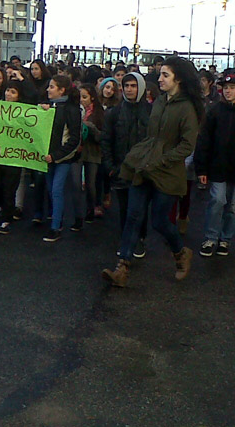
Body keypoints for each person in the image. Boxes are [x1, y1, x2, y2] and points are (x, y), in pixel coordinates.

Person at [102, 56, 202, 287]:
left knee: (159, 221)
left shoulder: (187, 108)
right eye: (161, 74)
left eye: (165, 75)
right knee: (133, 216)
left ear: (179, 78)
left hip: (167, 172)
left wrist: (164, 159)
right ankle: (122, 267)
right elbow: (151, 135)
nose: (160, 78)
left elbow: (187, 145)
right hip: (144, 167)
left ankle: (180, 253)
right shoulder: (159, 101)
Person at [194, 70, 235, 257]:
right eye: (225, 88)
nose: (228, 92)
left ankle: (225, 239)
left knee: (232, 207)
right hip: (217, 166)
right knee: (217, 200)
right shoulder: (215, 111)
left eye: (232, 88)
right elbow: (204, 140)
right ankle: (211, 237)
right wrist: (201, 167)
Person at [101, 72, 151, 258]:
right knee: (124, 208)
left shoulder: (151, 111)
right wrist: (110, 166)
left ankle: (139, 237)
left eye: (133, 86)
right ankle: (127, 239)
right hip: (121, 168)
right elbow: (106, 140)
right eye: (126, 86)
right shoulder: (114, 112)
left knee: (140, 208)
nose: (130, 89)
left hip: (143, 170)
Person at [41, 74, 82, 242]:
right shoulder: (51, 107)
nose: (48, 90)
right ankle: (58, 217)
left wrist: (56, 155)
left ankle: (56, 227)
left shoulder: (72, 110)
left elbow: (74, 139)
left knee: (57, 190)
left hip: (62, 158)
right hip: (49, 157)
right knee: (51, 190)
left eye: (52, 87)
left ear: (62, 90)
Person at [0, 80, 29, 234]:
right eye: (7, 91)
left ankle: (6, 220)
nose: (8, 94)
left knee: (10, 188)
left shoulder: (25, 111)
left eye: (13, 92)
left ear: (19, 96)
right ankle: (3, 206)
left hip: (14, 157)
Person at [78, 84, 105, 222]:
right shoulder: (77, 110)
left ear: (92, 98)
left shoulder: (98, 113)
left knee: (91, 182)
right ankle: (81, 211)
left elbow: (102, 137)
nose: (82, 100)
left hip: (93, 152)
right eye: (80, 97)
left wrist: (91, 127)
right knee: (76, 183)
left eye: (84, 97)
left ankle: (91, 207)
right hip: (78, 151)